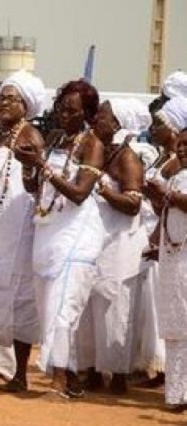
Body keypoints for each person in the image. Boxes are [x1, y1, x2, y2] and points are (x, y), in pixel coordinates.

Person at [14, 79, 105, 400]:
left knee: (63, 306)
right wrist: (29, 168)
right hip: (48, 231)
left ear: (87, 114)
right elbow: (33, 188)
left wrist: (42, 166)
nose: (63, 114)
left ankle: (59, 384)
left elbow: (80, 193)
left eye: (72, 110)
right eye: (60, 108)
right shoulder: (53, 138)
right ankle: (69, 377)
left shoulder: (91, 144)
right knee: (47, 307)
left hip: (76, 234)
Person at [78, 99, 148, 395]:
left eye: (104, 115)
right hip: (97, 240)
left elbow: (133, 203)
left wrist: (103, 190)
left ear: (118, 123)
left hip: (120, 244)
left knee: (114, 309)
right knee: (90, 306)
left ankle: (118, 374)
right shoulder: (99, 151)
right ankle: (92, 369)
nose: (97, 119)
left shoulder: (127, 157)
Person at [0, 70, 46, 393]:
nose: (3, 104)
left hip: (19, 221)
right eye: (1, 98)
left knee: (19, 296)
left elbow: (39, 177)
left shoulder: (30, 135)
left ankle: (19, 372)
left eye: (11, 99)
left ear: (26, 105)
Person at [145, 97, 187, 410]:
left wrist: (168, 195)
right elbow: (167, 213)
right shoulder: (176, 176)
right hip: (174, 257)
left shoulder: (174, 184)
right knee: (174, 326)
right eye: (181, 145)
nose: (182, 150)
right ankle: (176, 394)